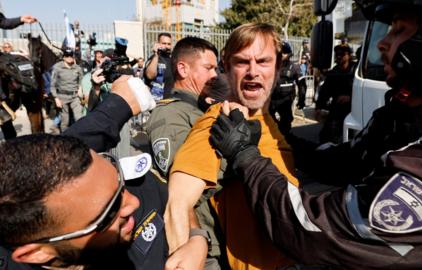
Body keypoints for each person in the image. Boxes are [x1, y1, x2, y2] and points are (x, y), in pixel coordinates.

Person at [209, 0, 422, 268]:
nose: (382, 43)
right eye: (243, 61)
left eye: (398, 30)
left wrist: (245, 155)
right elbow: (349, 159)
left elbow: (316, 230)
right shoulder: (408, 111)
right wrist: (280, 143)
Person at [0, 75, 209, 270]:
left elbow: (174, 199)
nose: (132, 203)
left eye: (119, 183)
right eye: (108, 213)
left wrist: (197, 239)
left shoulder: (126, 188)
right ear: (37, 253)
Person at [165, 23, 299, 270]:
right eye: (241, 62)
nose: (252, 71)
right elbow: (177, 203)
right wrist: (186, 253)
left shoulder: (269, 122)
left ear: (278, 67)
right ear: (226, 67)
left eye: (263, 61)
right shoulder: (222, 120)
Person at [145, 37, 225, 269]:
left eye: (216, 68)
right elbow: (180, 183)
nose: (215, 75)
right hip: (201, 243)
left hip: (221, 232)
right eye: (208, 68)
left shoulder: (199, 109)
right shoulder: (171, 115)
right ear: (183, 68)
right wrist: (238, 158)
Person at [315, 44, 355, 144]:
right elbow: (324, 92)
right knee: (325, 137)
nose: (338, 56)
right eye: (337, 54)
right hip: (337, 109)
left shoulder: (357, 72)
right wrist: (319, 108)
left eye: (342, 54)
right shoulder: (334, 73)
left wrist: (351, 98)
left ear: (349, 56)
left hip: (354, 110)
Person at [269, 41, 301, 134]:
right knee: (268, 118)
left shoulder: (294, 67)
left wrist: (301, 98)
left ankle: (284, 136)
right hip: (272, 98)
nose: (282, 55)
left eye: (285, 52)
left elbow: (301, 84)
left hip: (286, 99)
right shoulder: (270, 66)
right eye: (280, 52)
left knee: (286, 120)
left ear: (289, 53)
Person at [50, 48, 84, 132]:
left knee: (79, 118)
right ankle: (65, 138)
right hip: (62, 96)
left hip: (75, 96)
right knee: (65, 121)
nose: (69, 57)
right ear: (64, 57)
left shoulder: (77, 68)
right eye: (67, 56)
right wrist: (56, 98)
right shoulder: (57, 68)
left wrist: (80, 89)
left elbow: (81, 81)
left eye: (71, 56)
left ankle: (81, 137)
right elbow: (52, 85)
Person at [144, 32, 174, 101]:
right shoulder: (154, 58)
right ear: (158, 44)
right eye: (164, 43)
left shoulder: (173, 60)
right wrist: (156, 55)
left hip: (169, 101)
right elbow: (150, 75)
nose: (166, 46)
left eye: (169, 44)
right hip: (156, 102)